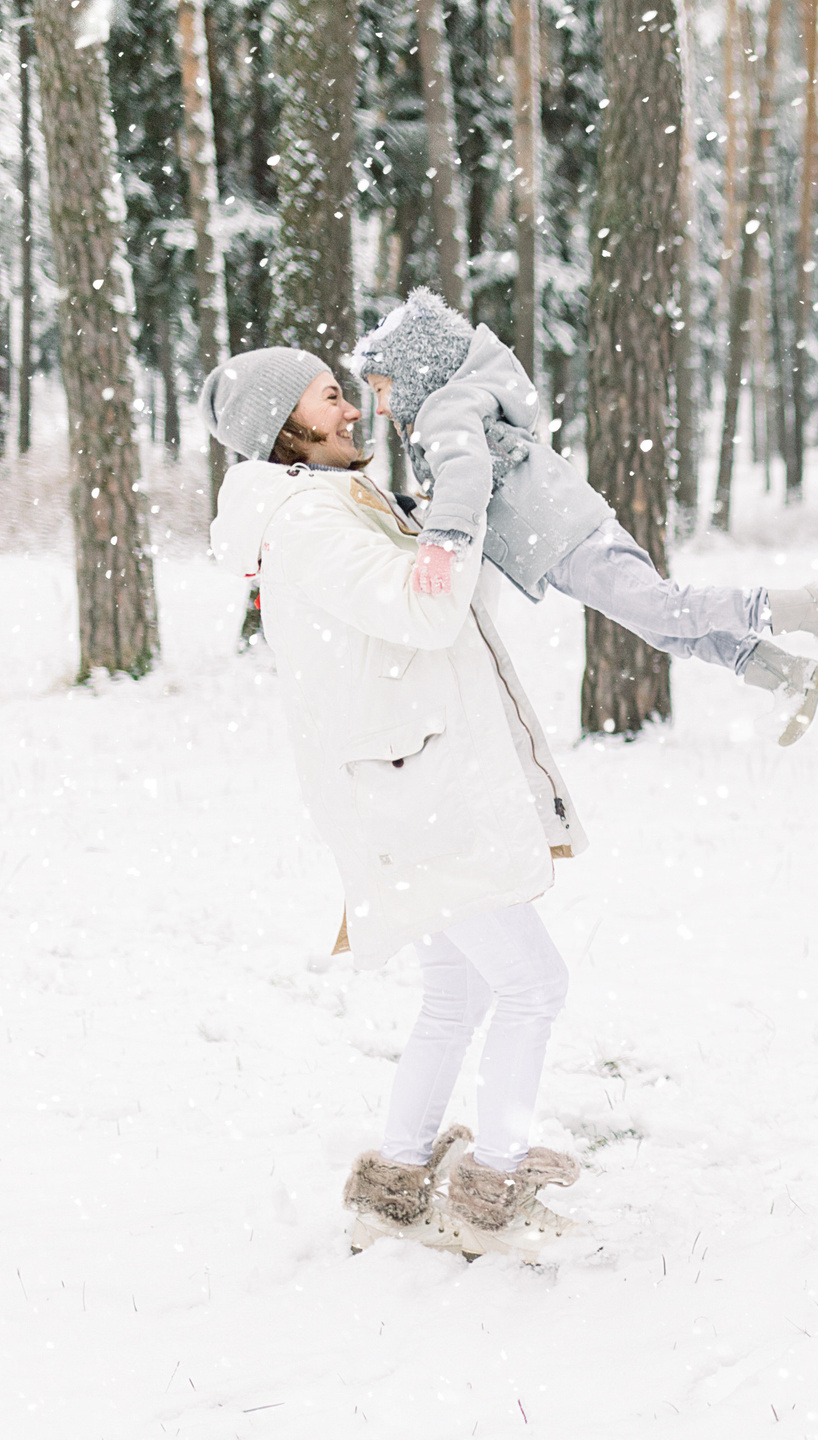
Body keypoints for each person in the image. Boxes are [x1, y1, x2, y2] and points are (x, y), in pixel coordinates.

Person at [204, 348, 585, 1263]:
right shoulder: (308, 525)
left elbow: (441, 602)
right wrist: (456, 502)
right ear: (284, 431)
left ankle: (397, 1187)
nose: (349, 411)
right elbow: (426, 609)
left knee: (455, 991)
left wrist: (458, 514)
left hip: (407, 782)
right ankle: (493, 1191)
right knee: (533, 984)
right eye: (329, 400)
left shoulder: (334, 504)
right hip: (415, 796)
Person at [352, 288, 818, 745]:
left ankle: (805, 606)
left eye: (381, 389)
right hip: (564, 535)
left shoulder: (443, 408)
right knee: (663, 625)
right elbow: (470, 476)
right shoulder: (460, 403)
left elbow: (467, 471)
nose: (379, 409)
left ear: (416, 371)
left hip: (564, 536)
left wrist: (442, 543)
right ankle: (786, 673)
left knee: (663, 609)